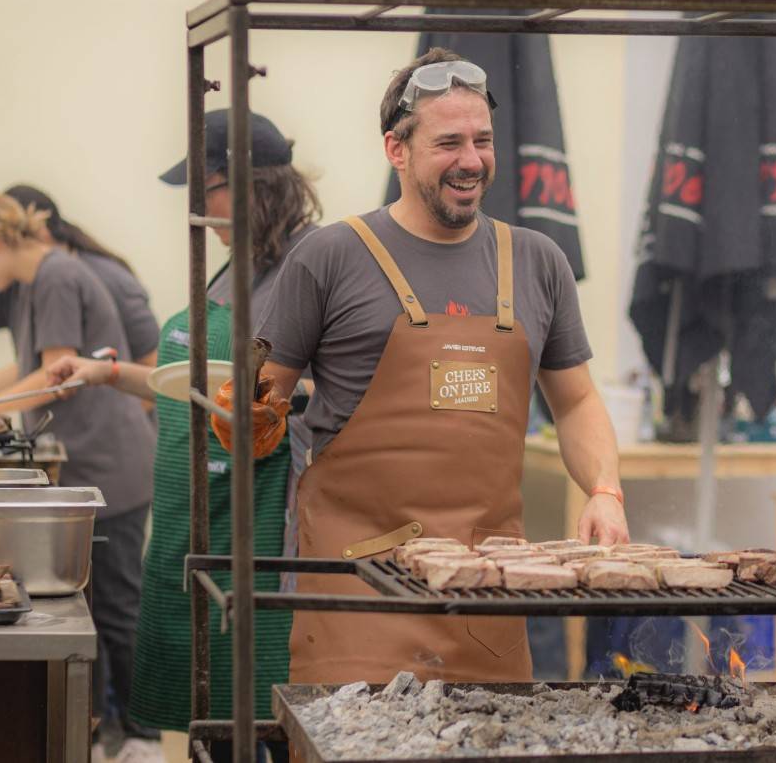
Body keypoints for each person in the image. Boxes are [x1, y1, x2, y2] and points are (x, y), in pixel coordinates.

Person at [246, 47, 629, 686]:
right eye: (448, 142)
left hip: (486, 604)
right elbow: (264, 400)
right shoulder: (328, 257)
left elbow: (577, 402)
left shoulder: (537, 260)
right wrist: (246, 415)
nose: (472, 161)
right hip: (358, 596)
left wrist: (605, 491)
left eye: (482, 141)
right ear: (396, 150)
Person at [49, 109, 320, 763]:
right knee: (209, 728)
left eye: (208, 192)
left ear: (249, 185)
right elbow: (191, 383)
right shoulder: (231, 269)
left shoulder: (310, 265)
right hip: (188, 529)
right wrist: (107, 373)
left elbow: (326, 395)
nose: (200, 209)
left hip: (254, 529)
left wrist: (284, 404)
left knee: (260, 718)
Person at [0, 193, 160, 759]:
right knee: (103, 602)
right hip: (86, 458)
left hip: (111, 460)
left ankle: (137, 734)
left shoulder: (57, 276)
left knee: (117, 604)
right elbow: (24, 367)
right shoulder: (27, 282)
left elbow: (54, 374)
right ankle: (108, 730)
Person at [0, 184, 159, 400]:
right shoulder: (22, 282)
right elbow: (29, 366)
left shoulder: (57, 277)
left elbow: (51, 375)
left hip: (103, 427)